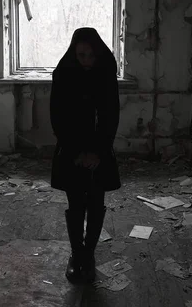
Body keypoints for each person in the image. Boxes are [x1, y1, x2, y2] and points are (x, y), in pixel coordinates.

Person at [50, 27, 121, 284]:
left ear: (98, 53)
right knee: (76, 201)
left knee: (95, 200)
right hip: (71, 148)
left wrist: (99, 153)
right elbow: (58, 117)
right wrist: (76, 153)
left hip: (100, 148)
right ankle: (76, 254)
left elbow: (110, 115)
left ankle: (88, 255)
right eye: (81, 55)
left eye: (91, 55)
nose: (86, 60)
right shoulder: (63, 74)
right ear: (74, 53)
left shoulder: (105, 73)